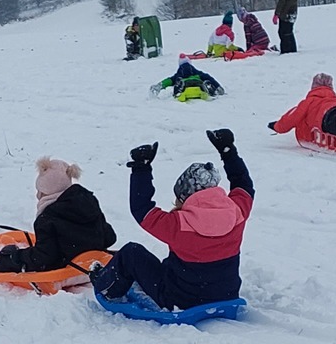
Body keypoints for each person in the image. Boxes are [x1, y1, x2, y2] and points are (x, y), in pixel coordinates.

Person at [91, 130, 253, 310]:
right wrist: (228, 151)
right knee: (172, 264)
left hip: (181, 300)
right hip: (226, 294)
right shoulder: (238, 211)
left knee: (131, 253)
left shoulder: (179, 224)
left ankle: (105, 286)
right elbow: (243, 184)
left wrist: (141, 168)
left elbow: (142, 209)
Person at [0, 158, 117, 274]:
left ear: (46, 193)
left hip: (66, 272)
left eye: (40, 192)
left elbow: (43, 257)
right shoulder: (88, 204)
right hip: (94, 266)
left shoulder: (47, 219)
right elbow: (110, 237)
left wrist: (13, 259)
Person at [152, 58, 224, 101]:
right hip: (198, 85)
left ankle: (179, 89)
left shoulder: (179, 74)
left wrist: (159, 86)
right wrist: (218, 87)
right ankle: (208, 89)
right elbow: (209, 78)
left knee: (177, 82)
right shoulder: (197, 72)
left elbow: (169, 81)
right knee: (205, 80)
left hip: (185, 86)